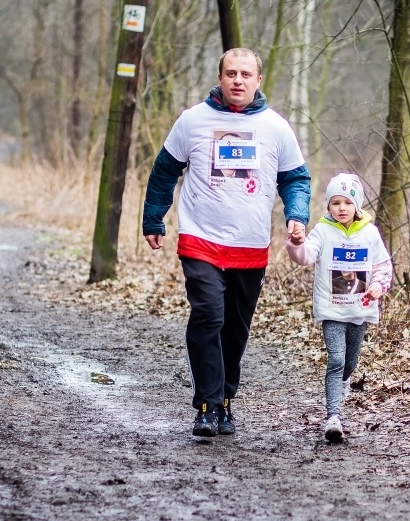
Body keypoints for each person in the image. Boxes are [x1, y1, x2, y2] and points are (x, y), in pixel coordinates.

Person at [142, 48, 311, 438]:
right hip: (201, 239)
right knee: (208, 315)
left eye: (245, 74)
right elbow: (165, 171)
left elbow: (296, 179)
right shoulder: (192, 121)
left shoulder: (275, 127)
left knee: (235, 328)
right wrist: (154, 218)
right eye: (230, 73)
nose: (238, 80)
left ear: (258, 80)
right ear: (219, 78)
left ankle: (226, 400)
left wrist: (296, 216)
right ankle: (206, 405)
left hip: (251, 245)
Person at [286, 173, 393, 443]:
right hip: (332, 309)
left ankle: (343, 383)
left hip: (360, 309)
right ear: (328, 207)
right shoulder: (323, 230)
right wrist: (296, 243)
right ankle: (333, 417)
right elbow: (305, 256)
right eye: (335, 203)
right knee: (336, 360)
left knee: (350, 362)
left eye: (347, 202)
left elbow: (383, 267)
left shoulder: (370, 233)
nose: (341, 208)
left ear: (356, 205)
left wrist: (378, 286)